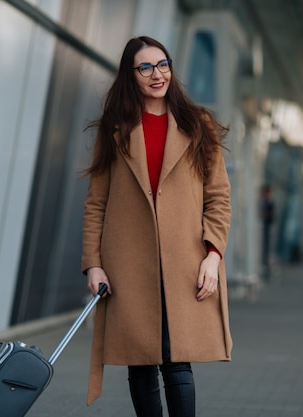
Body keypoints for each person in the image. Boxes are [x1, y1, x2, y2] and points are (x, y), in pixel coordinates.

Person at [81, 36, 232, 417]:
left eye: (163, 64)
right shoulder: (115, 129)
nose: (157, 74)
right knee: (141, 362)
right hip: (129, 264)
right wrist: (93, 263)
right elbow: (96, 202)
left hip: (185, 261)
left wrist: (213, 255)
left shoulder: (198, 125)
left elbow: (218, 199)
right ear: (130, 76)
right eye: (145, 67)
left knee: (177, 361)